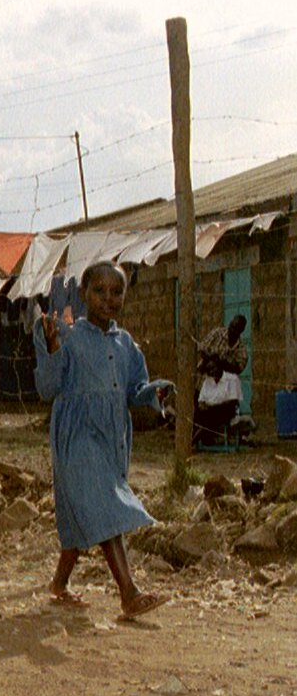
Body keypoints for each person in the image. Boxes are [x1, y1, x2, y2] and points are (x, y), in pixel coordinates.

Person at [34, 261, 169, 619]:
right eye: (99, 291)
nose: (108, 298)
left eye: (116, 292)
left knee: (84, 512)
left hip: (111, 438)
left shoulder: (126, 345)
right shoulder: (69, 336)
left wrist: (153, 393)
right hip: (76, 435)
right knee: (104, 502)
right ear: (83, 295)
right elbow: (47, 388)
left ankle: (59, 584)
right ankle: (129, 592)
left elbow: (135, 389)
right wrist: (50, 349)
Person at [194, 314, 249, 446]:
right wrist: (211, 360)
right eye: (231, 326)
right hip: (206, 379)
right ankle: (201, 437)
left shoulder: (241, 349)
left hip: (224, 384)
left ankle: (203, 436)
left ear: (241, 331)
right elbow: (201, 348)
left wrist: (221, 363)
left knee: (219, 412)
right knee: (199, 409)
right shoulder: (217, 334)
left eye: (236, 328)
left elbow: (238, 367)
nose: (231, 330)